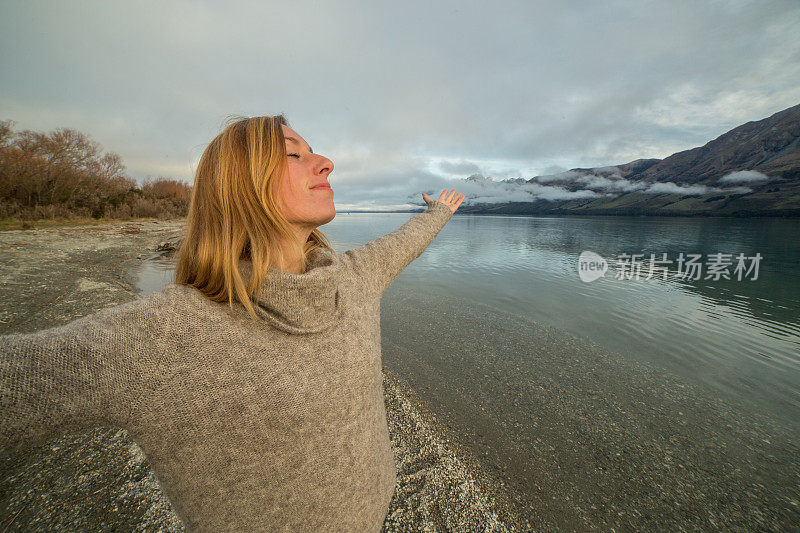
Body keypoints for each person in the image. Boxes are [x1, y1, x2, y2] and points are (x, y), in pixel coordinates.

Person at [0, 114, 465, 532]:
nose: (326, 162)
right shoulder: (166, 335)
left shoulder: (354, 280)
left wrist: (439, 212)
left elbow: (403, 243)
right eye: (293, 154)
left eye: (314, 151)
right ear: (237, 185)